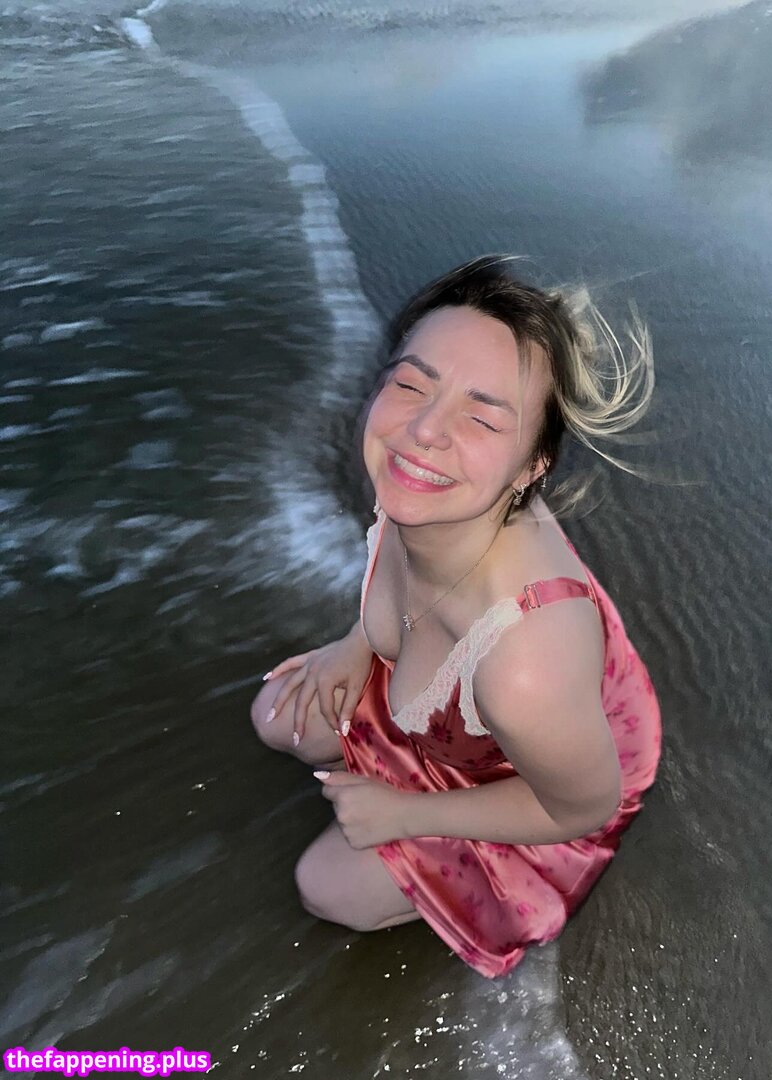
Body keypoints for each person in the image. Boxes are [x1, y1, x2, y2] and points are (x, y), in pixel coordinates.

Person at [250, 255, 662, 978]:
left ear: (532, 466)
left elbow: (582, 808)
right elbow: (405, 595)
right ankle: (392, 777)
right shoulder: (426, 492)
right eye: (411, 384)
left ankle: (426, 830)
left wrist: (405, 814)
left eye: (481, 416)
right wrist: (356, 643)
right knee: (277, 715)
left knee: (325, 887)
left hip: (548, 773)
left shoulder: (527, 660)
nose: (423, 430)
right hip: (457, 708)